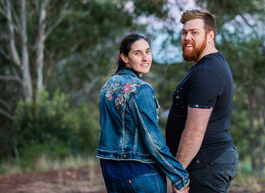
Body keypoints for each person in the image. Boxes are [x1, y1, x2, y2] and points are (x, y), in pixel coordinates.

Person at [97, 33, 189, 193]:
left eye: (147, 51)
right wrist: (179, 176)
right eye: (137, 53)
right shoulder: (141, 89)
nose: (145, 58)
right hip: (142, 174)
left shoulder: (107, 87)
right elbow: (154, 142)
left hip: (111, 173)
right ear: (125, 57)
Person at [166, 10, 239, 192]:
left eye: (194, 32)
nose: (187, 37)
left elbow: (195, 130)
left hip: (206, 164)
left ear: (210, 36)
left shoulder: (206, 72)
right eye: (184, 33)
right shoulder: (206, 66)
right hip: (206, 162)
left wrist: (178, 174)